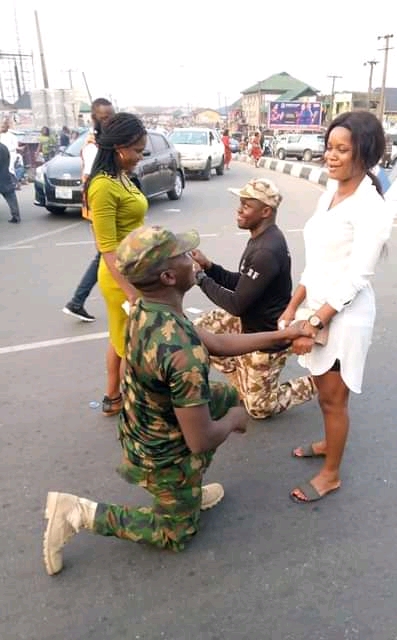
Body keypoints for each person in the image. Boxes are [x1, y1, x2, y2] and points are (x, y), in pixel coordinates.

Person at [42, 224, 315, 576]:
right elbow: (199, 439)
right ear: (170, 276)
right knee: (175, 532)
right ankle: (79, 513)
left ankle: (186, 491)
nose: (193, 260)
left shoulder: (148, 307)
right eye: (185, 256)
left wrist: (284, 335)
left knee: (227, 394)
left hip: (144, 423)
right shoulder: (180, 352)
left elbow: (215, 342)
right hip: (159, 453)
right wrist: (234, 421)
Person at [278, 111, 393, 503]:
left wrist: (314, 323)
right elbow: (317, 262)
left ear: (365, 153)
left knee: (333, 398)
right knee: (319, 385)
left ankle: (331, 474)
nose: (331, 156)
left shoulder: (372, 207)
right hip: (315, 307)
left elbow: (357, 277)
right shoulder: (330, 193)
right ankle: (330, 443)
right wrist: (294, 306)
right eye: (329, 147)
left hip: (344, 317)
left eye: (342, 150)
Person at [192, 178, 316, 419]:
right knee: (196, 334)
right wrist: (208, 267)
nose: (239, 210)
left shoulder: (266, 250)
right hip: (247, 323)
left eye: (247, 206)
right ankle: (243, 376)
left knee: (259, 409)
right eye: (240, 204)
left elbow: (237, 304)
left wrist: (200, 279)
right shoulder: (261, 237)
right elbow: (244, 283)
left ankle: (319, 381)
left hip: (267, 337)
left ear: (266, 211)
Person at [88, 112, 148, 416]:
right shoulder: (102, 187)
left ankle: (112, 398)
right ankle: (132, 410)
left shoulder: (121, 177)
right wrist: (130, 292)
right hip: (119, 278)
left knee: (119, 338)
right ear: (120, 148)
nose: (140, 156)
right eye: (137, 150)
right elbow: (107, 248)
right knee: (132, 346)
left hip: (134, 271)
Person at [62, 98, 115, 322]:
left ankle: (77, 301)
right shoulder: (94, 146)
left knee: (105, 253)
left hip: (103, 204)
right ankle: (77, 301)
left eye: (112, 117)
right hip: (99, 206)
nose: (109, 121)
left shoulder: (105, 141)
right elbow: (99, 180)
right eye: (105, 118)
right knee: (107, 252)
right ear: (95, 119)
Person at [0, 142, 21, 223]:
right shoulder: (4, 147)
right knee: (11, 197)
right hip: (5, 175)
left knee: (10, 196)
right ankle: (16, 216)